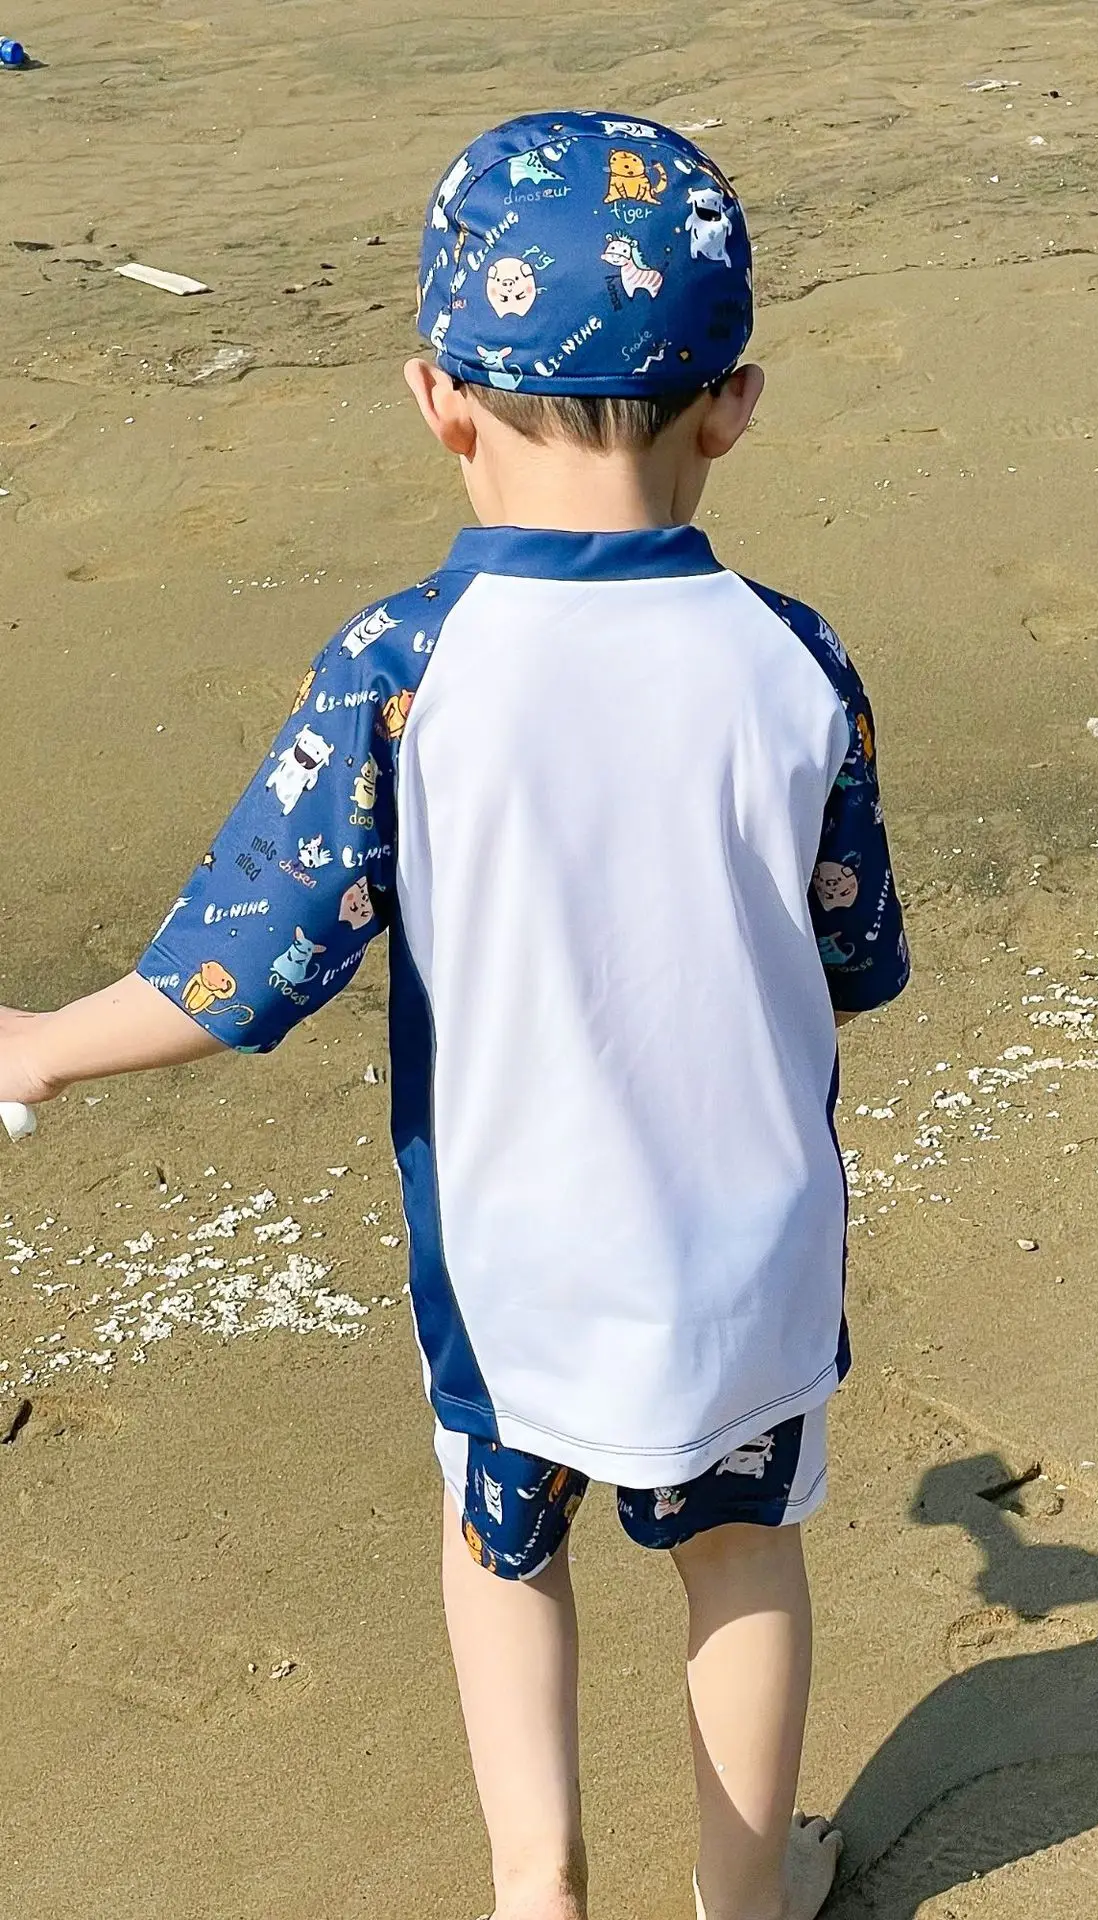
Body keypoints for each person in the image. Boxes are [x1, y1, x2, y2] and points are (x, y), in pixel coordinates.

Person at [0, 110, 909, 1920]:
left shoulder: (407, 664)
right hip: (750, 1250)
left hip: (516, 1263)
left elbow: (245, 961)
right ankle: (747, 1899)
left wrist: (34, 1045)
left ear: (439, 399)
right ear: (734, 402)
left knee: (504, 1548)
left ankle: (534, 1886)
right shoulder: (793, 657)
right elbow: (857, 951)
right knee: (741, 1554)